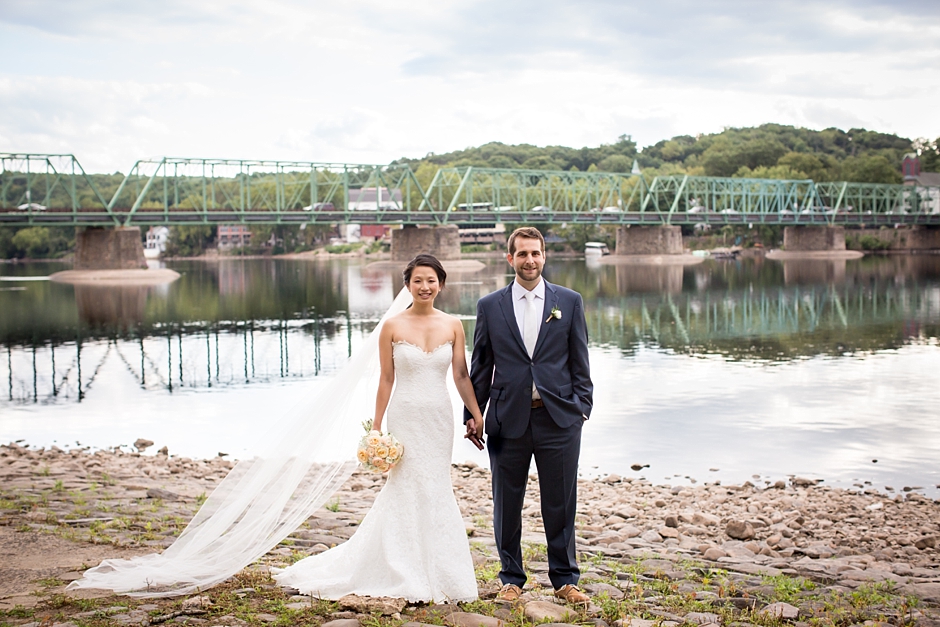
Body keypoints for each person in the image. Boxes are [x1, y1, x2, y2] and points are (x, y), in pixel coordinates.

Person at [273, 253, 483, 602]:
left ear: (441, 284)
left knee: (435, 485)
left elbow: (461, 374)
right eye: (418, 280)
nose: (425, 286)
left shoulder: (454, 325)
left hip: (439, 418)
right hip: (405, 416)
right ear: (407, 285)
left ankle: (443, 569)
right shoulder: (392, 325)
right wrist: (377, 426)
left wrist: (475, 414)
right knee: (405, 486)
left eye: (431, 280)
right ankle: (402, 568)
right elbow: (386, 379)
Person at [463, 227, 593, 604]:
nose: (530, 260)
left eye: (535, 253)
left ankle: (565, 579)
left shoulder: (568, 301)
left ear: (544, 256)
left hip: (559, 418)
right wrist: (474, 414)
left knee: (560, 501)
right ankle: (511, 579)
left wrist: (581, 407)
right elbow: (481, 365)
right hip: (507, 419)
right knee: (506, 502)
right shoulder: (490, 305)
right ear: (510, 259)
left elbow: (579, 359)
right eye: (522, 254)